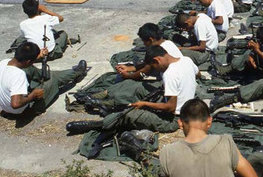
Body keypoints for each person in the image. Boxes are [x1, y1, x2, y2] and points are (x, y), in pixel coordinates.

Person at [66, 46, 199, 135]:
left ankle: (99, 125)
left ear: (157, 60)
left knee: (129, 114)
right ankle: (104, 102)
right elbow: (197, 74)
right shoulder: (186, 60)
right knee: (138, 89)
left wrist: (144, 104)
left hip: (173, 119)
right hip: (183, 105)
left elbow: (170, 108)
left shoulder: (169, 74)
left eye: (154, 67)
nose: (156, 70)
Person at [0, 42, 87, 117]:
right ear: (28, 61)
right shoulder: (18, 75)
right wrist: (32, 95)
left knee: (31, 69)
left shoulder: (4, 62)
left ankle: (68, 73)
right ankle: (76, 73)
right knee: (53, 78)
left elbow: (25, 63)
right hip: (23, 111)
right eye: (33, 60)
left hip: (5, 108)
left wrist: (37, 56)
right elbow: (16, 104)